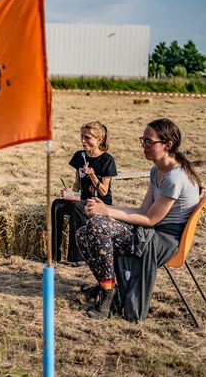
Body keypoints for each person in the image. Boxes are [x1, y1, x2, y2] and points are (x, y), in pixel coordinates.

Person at [76, 118, 202, 319]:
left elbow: (151, 219)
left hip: (164, 242)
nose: (144, 146)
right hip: (152, 233)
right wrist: (105, 207)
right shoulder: (157, 170)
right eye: (142, 140)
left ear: (167, 144)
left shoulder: (174, 178)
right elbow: (144, 210)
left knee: (97, 227)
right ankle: (107, 286)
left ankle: (109, 296)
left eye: (149, 142)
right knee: (84, 233)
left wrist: (106, 212)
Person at [51, 121, 117, 265]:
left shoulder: (107, 160)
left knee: (77, 207)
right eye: (82, 136)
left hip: (100, 203)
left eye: (87, 137)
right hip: (83, 199)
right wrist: (69, 193)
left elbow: (104, 192)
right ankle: (54, 254)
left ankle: (78, 258)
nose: (83, 140)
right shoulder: (79, 156)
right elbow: (77, 185)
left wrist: (92, 175)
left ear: (98, 140)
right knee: (57, 204)